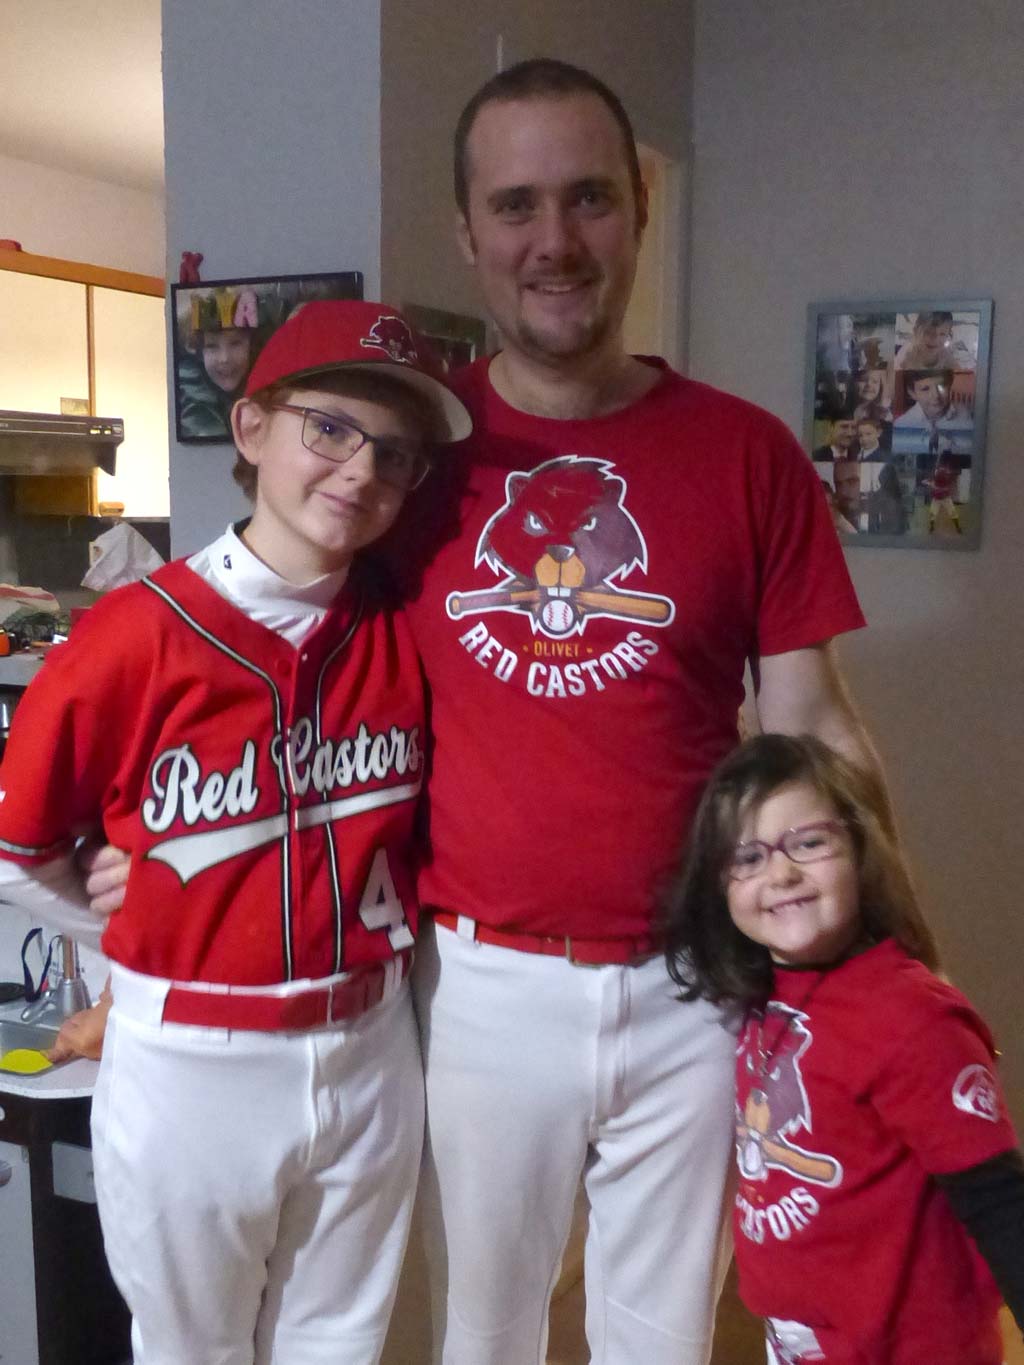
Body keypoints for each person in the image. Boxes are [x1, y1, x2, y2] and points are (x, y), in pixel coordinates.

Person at [85, 58, 889, 1365]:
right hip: (474, 986)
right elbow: (274, 655)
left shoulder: (747, 455)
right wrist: (159, 854)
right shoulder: (415, 458)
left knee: (664, 1339)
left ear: (636, 207)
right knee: (482, 1335)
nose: (553, 241)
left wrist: (884, 958)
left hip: (698, 975)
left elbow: (816, 727)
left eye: (587, 198)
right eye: (516, 206)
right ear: (468, 231)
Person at [0, 299, 471, 1365]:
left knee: (339, 1348)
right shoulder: (131, 635)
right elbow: (17, 850)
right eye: (330, 429)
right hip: (194, 1061)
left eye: (394, 453)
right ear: (252, 428)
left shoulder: (405, 628)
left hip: (372, 1047)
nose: (360, 470)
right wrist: (136, 916)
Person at [665, 733, 1024, 1365]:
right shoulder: (765, 997)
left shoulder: (913, 1019)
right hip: (804, 1344)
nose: (781, 873)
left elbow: (998, 1201)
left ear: (860, 848)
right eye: (748, 857)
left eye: (809, 843)